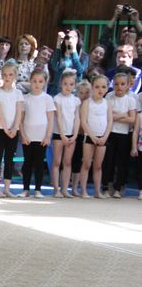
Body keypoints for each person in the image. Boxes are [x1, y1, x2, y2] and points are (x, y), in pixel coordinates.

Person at [0, 61, 25, 197]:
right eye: (4, 74)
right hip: (0, 129)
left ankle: (7, 189)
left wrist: (15, 128)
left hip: (13, 130)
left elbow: (19, 112)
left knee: (10, 158)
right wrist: (6, 128)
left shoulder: (18, 93)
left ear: (15, 75)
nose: (7, 77)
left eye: (10, 74)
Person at [20, 70, 55, 198]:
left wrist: (48, 136)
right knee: (27, 163)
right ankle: (25, 189)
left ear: (45, 83)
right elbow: (21, 119)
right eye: (34, 81)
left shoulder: (47, 99)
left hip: (41, 137)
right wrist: (23, 135)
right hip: (28, 136)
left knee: (39, 163)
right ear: (30, 81)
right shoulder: (25, 98)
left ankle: (38, 190)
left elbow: (51, 119)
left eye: (40, 81)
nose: (37, 84)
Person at [103, 71, 138, 197]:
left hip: (124, 134)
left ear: (129, 85)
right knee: (109, 161)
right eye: (116, 84)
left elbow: (132, 119)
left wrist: (115, 116)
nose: (119, 87)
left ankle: (118, 188)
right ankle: (107, 187)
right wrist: (124, 115)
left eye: (123, 84)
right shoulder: (109, 97)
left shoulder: (131, 100)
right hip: (110, 132)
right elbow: (106, 117)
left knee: (122, 162)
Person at [79, 75, 113, 198]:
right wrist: (92, 136)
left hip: (102, 137)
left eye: (103, 87)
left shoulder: (107, 103)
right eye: (97, 86)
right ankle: (83, 191)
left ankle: (98, 191)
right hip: (89, 137)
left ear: (107, 88)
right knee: (86, 163)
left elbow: (110, 121)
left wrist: (105, 137)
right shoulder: (87, 103)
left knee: (98, 165)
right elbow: (83, 122)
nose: (100, 89)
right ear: (92, 88)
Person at [51, 70, 81, 198]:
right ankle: (56, 189)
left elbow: (77, 118)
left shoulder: (76, 100)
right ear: (60, 84)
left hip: (71, 135)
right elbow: (58, 118)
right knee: (57, 161)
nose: (68, 87)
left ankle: (65, 189)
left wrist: (74, 135)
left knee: (67, 162)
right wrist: (62, 134)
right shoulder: (57, 98)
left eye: (71, 84)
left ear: (74, 85)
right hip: (59, 134)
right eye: (65, 84)